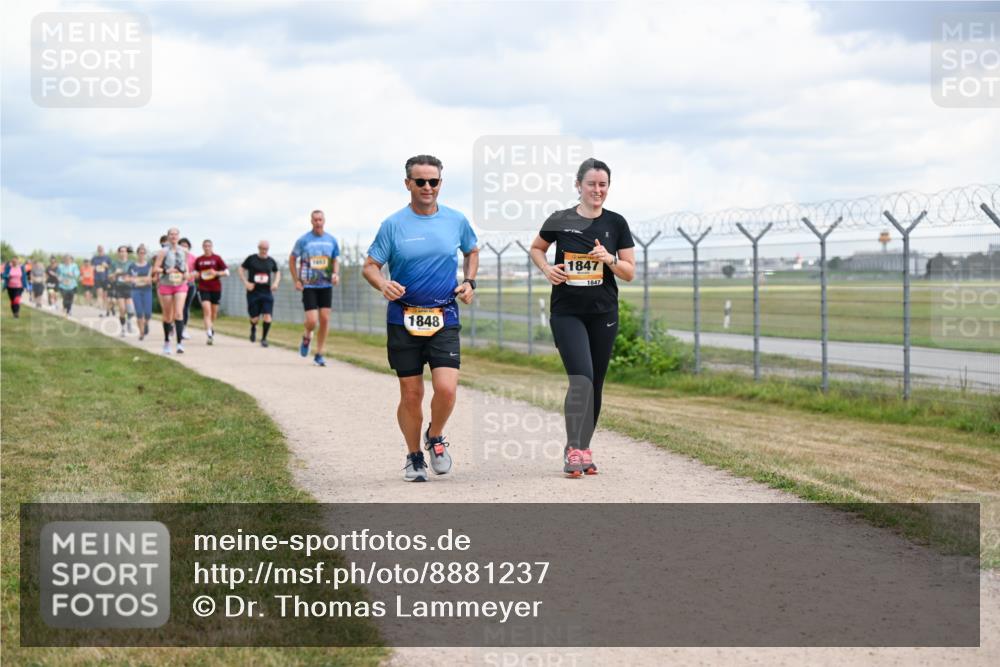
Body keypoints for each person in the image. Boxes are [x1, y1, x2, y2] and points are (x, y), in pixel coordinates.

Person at [363, 154, 479, 482]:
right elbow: (370, 266)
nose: (428, 187)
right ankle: (414, 456)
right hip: (404, 318)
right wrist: (383, 283)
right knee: (411, 394)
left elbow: (472, 250)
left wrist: (469, 282)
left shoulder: (456, 220)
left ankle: (435, 436)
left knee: (446, 389)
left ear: (440, 183)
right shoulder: (393, 225)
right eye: (421, 181)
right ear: (408, 184)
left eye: (434, 181)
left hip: (444, 314)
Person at [529, 158, 636, 478]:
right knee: (582, 379)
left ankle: (582, 449)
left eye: (603, 184)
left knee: (596, 384)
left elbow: (629, 272)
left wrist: (609, 259)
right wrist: (548, 269)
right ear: (578, 186)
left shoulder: (616, 223)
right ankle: (574, 448)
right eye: (591, 184)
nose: (597, 190)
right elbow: (537, 248)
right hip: (567, 312)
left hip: (603, 313)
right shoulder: (560, 219)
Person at [289, 210, 340, 366]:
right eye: (315, 220)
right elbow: (292, 259)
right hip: (309, 285)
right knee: (312, 321)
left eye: (320, 219)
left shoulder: (331, 240)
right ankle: (307, 336)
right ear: (311, 221)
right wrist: (296, 279)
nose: (318, 222)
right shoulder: (303, 240)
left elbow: (335, 259)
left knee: (324, 319)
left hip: (326, 285)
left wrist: (336, 274)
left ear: (324, 221)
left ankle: (319, 353)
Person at [153, 228, 191, 354]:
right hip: (166, 284)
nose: (174, 236)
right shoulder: (163, 251)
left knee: (179, 313)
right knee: (168, 315)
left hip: (180, 284)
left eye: (176, 234)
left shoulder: (184, 251)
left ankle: (179, 344)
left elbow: (186, 265)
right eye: (171, 234)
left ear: (179, 236)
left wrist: (186, 273)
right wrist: (165, 271)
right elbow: (155, 268)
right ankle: (167, 342)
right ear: (168, 237)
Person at [239, 240, 280, 347]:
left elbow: (277, 272)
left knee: (267, 316)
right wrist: (246, 282)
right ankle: (253, 327)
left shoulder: (271, 261)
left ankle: (264, 339)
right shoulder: (251, 259)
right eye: (262, 248)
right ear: (258, 248)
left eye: (266, 249)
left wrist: (275, 283)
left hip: (266, 292)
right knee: (255, 318)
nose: (264, 251)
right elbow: (241, 269)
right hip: (253, 292)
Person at [193, 239, 230, 345]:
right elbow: (195, 272)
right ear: (202, 247)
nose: (207, 247)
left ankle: (210, 327)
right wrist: (196, 275)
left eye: (209, 246)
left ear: (212, 247)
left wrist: (216, 272)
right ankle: (209, 335)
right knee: (207, 311)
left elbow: (227, 272)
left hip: (216, 288)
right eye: (205, 246)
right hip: (203, 288)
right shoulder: (199, 260)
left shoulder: (217, 258)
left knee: (214, 314)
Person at [128, 244, 154, 340]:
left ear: (145, 254)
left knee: (148, 313)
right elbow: (130, 278)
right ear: (137, 254)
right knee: (139, 312)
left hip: (147, 290)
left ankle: (146, 324)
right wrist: (142, 280)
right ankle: (141, 333)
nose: (142, 254)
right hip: (136, 291)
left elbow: (150, 279)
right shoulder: (132, 266)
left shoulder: (149, 266)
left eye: (144, 253)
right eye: (140, 253)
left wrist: (139, 280)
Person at [108, 246, 134, 336]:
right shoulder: (114, 264)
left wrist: (129, 277)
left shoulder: (131, 263)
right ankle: (123, 329)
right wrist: (116, 273)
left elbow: (136, 275)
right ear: (118, 253)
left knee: (130, 310)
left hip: (130, 287)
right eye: (121, 251)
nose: (123, 253)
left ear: (127, 253)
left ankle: (129, 321)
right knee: (122, 309)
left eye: (125, 251)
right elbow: (109, 277)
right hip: (119, 288)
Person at [179, 238, 197, 339]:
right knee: (177, 307)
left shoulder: (193, 258)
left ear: (189, 247)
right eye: (181, 245)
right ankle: (175, 326)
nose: (184, 247)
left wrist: (189, 275)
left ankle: (183, 329)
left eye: (185, 246)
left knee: (185, 307)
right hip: (177, 285)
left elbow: (196, 271)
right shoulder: (174, 257)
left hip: (190, 285)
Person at [91, 245, 112, 316]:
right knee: (99, 295)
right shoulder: (94, 258)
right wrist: (94, 267)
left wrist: (106, 266)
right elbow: (91, 267)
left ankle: (107, 309)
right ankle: (101, 311)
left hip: (106, 278)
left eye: (101, 249)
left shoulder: (107, 258)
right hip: (97, 278)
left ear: (103, 250)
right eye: (99, 249)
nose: (100, 250)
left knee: (105, 296)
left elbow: (111, 268)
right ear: (97, 250)